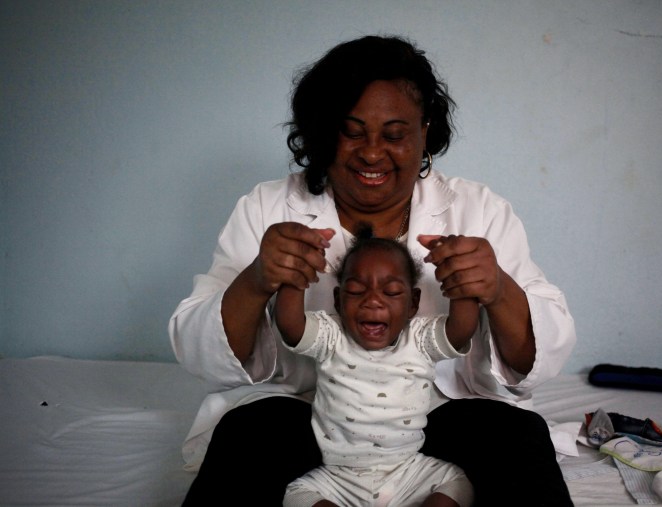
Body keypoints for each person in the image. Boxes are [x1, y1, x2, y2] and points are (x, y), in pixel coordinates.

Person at [169, 34, 577, 505]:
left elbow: (540, 359)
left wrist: (498, 289)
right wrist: (258, 278)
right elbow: (199, 351)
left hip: (439, 419)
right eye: (352, 131)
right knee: (249, 433)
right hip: (309, 420)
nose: (372, 152)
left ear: (425, 130)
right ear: (323, 131)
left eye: (395, 135)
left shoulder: (478, 209)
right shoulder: (267, 206)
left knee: (515, 435)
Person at [275, 227, 479, 507]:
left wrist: (458, 274)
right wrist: (296, 273)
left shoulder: (419, 339)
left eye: (392, 292)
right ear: (338, 299)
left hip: (409, 471)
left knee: (456, 482)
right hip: (339, 477)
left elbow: (462, 328)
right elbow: (289, 325)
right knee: (296, 495)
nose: (372, 300)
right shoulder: (331, 336)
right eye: (357, 290)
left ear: (413, 304)